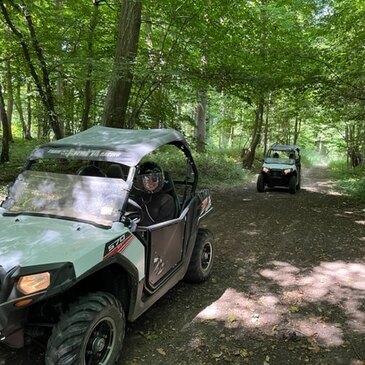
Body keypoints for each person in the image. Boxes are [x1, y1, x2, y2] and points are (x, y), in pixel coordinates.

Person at [133, 161, 176, 226]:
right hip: (132, 232)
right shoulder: (137, 197)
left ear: (160, 180)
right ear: (141, 181)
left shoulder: (166, 200)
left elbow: (162, 227)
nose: (150, 182)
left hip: (154, 234)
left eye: (154, 179)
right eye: (146, 179)